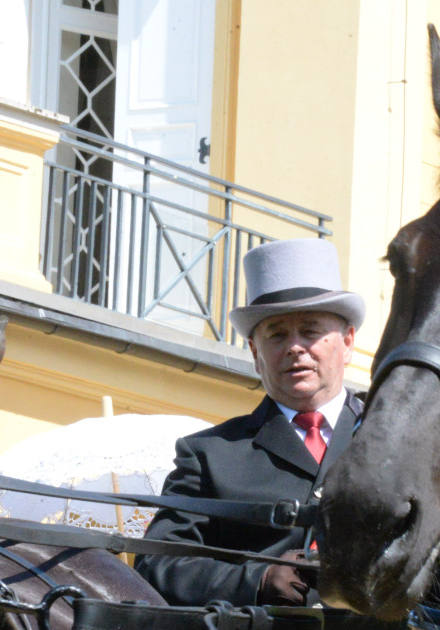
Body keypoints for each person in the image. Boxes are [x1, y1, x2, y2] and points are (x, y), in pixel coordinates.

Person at [135, 238, 366, 608]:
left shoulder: (394, 439)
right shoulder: (208, 455)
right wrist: (255, 580)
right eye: (277, 335)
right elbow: (155, 562)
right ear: (256, 354)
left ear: (348, 342)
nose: (294, 347)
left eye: (310, 331)